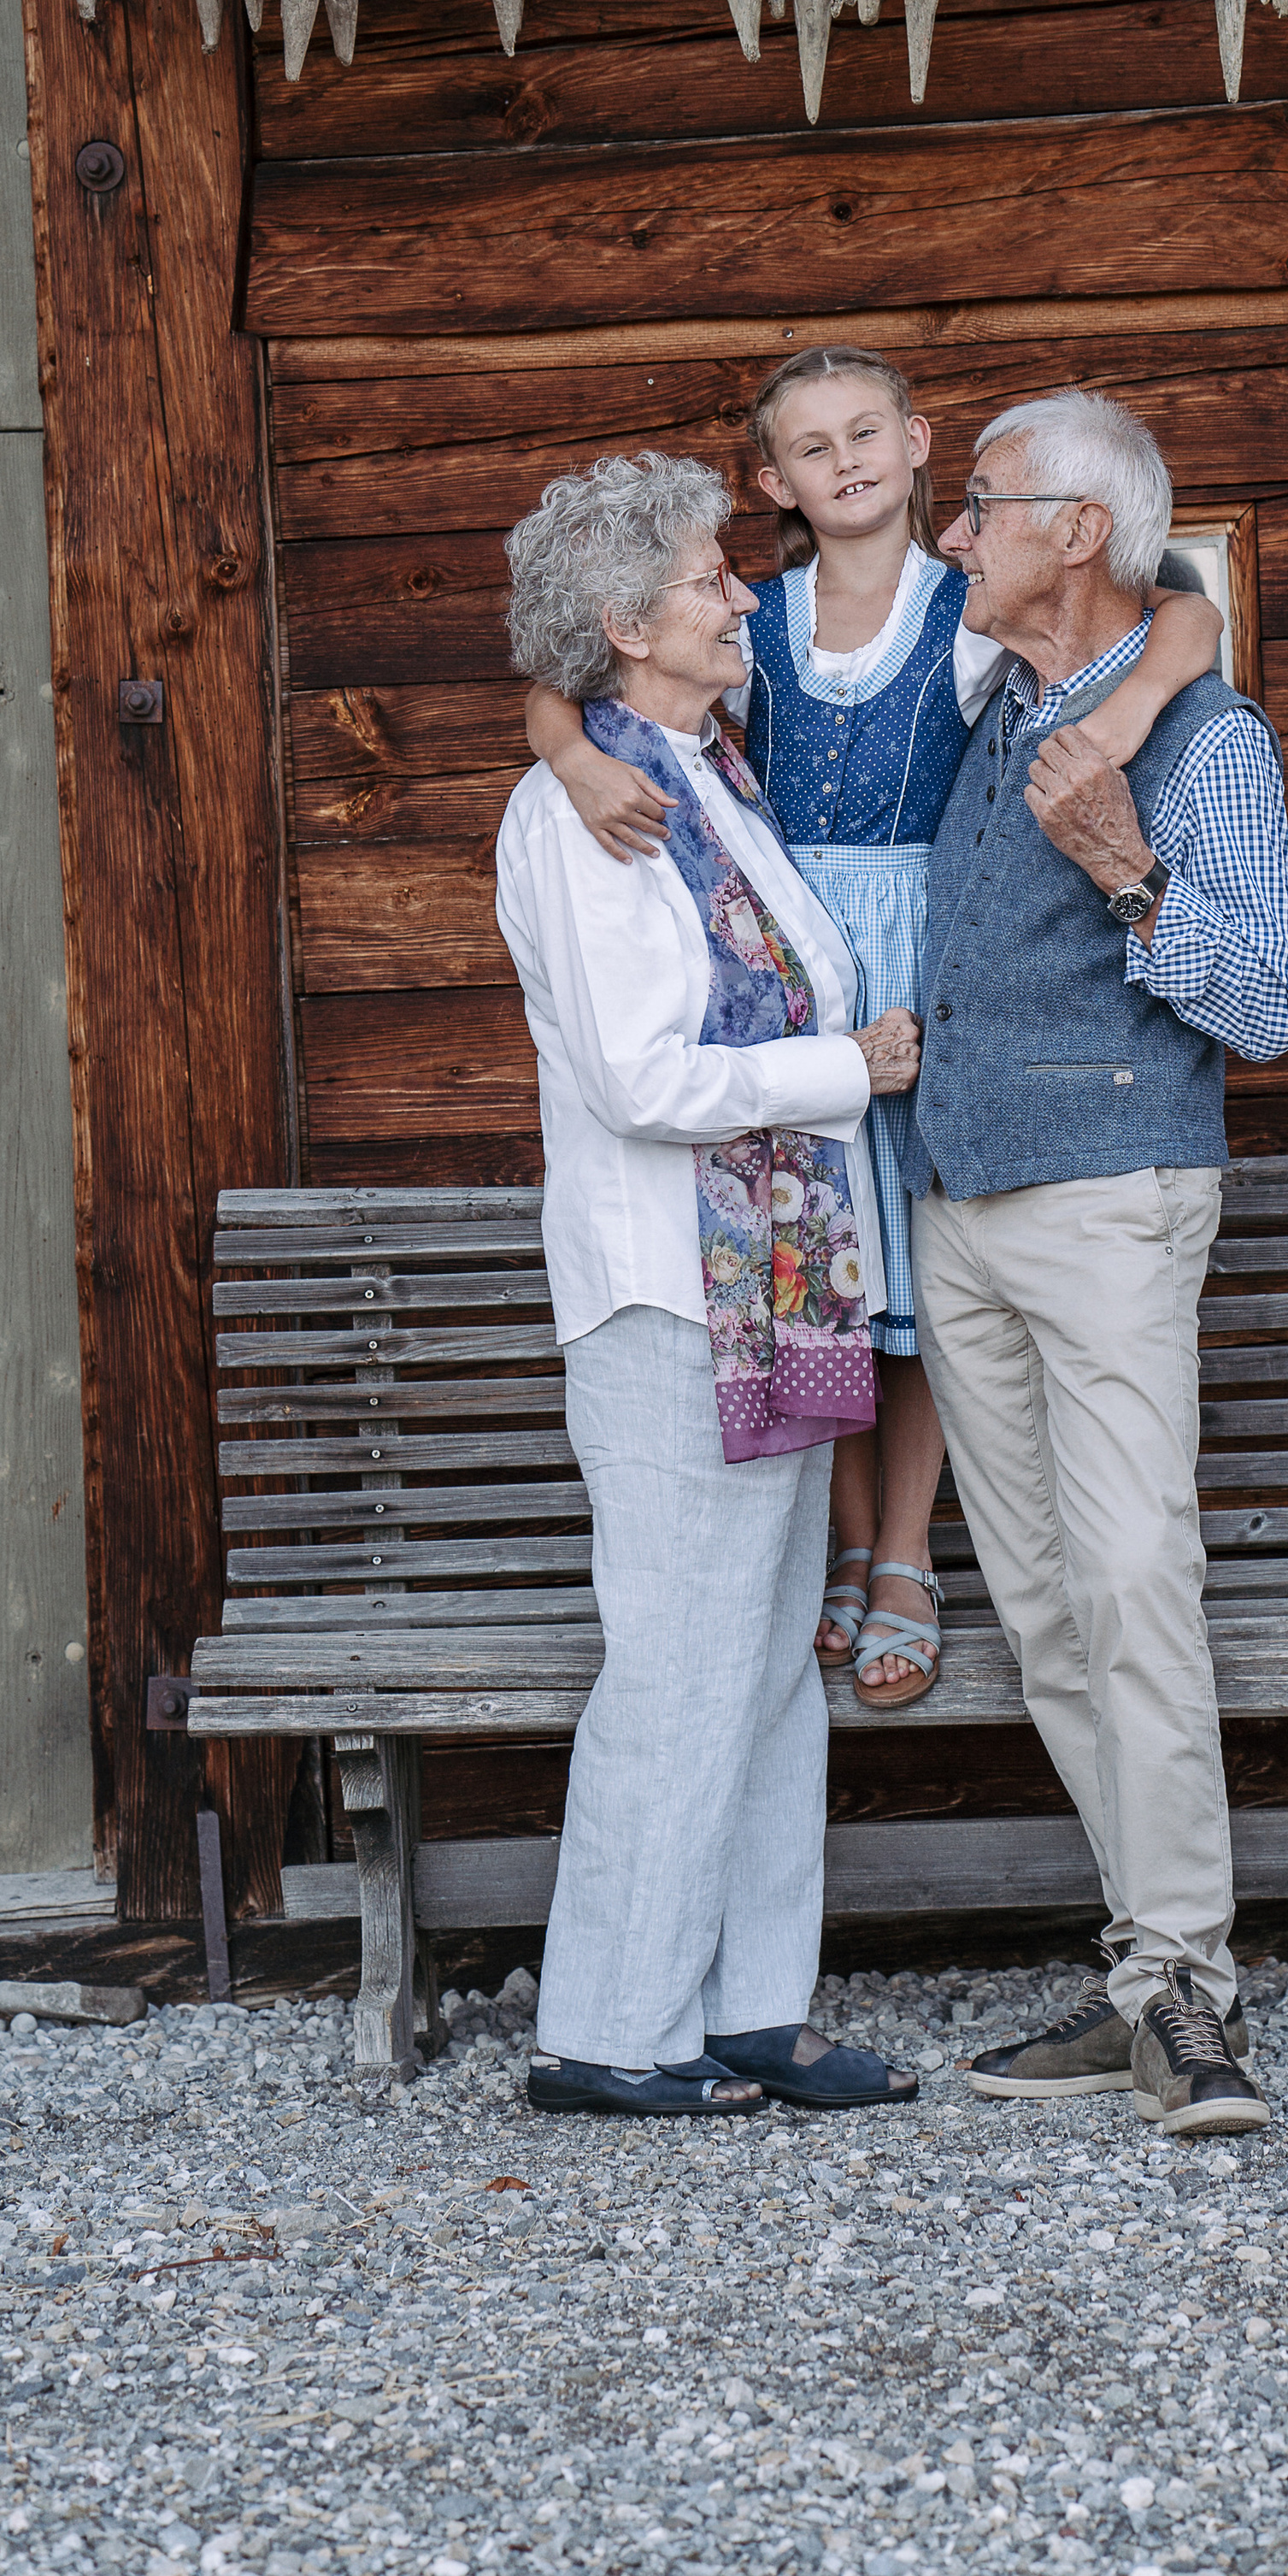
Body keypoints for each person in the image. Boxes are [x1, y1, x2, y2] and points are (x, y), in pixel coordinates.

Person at [522, 345, 1225, 1710]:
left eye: (865, 434)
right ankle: (849, 1539)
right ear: (771, 480)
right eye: (809, 445)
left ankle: (904, 1549)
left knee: (922, 1262)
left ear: (915, 446)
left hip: (929, 947)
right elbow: (569, 674)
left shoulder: (968, 605)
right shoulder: (744, 620)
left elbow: (1180, 610)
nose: (842, 462)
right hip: (797, 953)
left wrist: (1136, 703)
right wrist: (569, 753)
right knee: (828, 1242)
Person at [495, 450, 926, 2119]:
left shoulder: (697, 773)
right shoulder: (586, 810)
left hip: (768, 1290)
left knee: (757, 1666)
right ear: (620, 621)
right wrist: (845, 1071)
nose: (738, 593)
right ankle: (606, 2026)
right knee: (677, 1664)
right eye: (703, 580)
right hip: (670, 1299)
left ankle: (750, 2003)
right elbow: (639, 1081)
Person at [907, 392, 1288, 2143]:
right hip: (964, 1203)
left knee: (1133, 1581)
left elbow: (1269, 1007)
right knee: (1047, 1609)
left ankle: (1195, 1992)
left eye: (978, 505)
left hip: (1113, 1196)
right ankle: (1146, 1966)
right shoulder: (988, 693)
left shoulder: (1207, 744)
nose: (950, 533)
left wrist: (1132, 877)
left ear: (1074, 528)